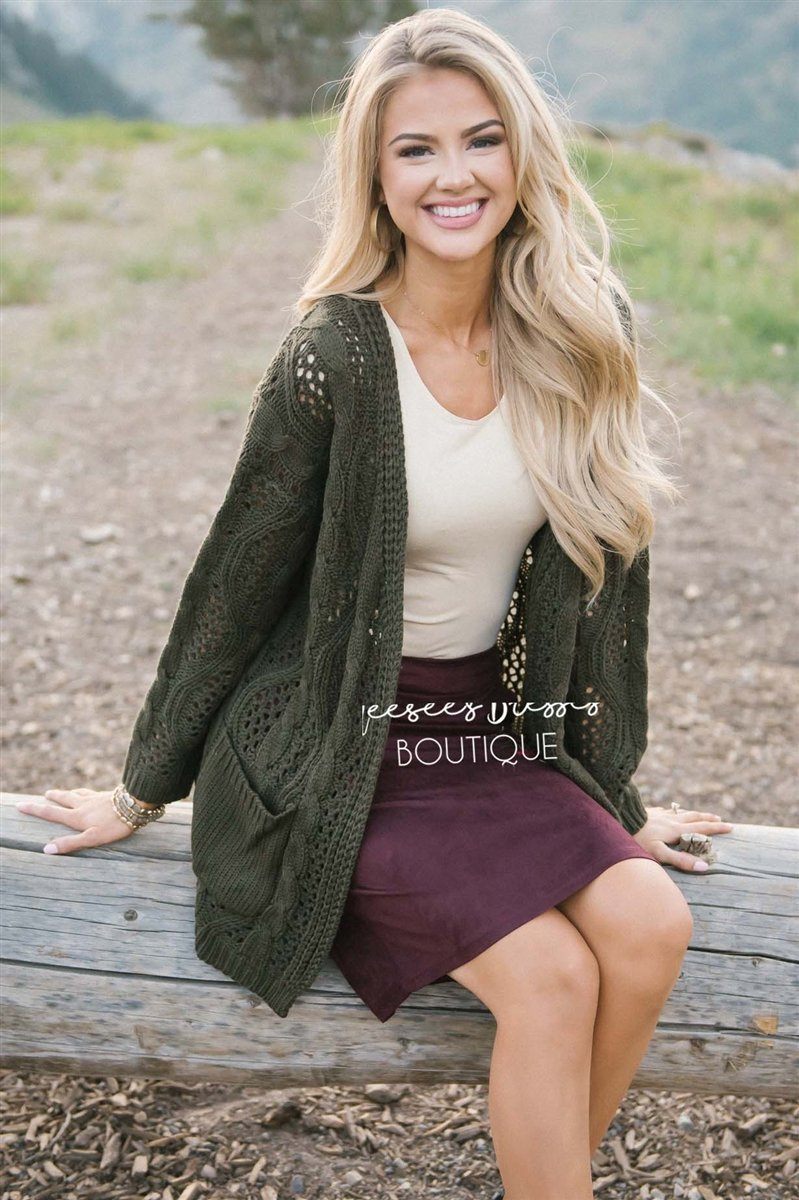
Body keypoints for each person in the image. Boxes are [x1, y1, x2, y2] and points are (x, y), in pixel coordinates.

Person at [18, 10, 734, 1198]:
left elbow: (611, 593)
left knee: (652, 925)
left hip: (487, 741)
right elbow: (232, 584)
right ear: (377, 177)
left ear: (522, 154)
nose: (455, 175)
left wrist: (608, 796)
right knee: (553, 980)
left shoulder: (575, 332)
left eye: (481, 139)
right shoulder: (335, 357)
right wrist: (142, 786)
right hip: (340, 744)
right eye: (416, 150)